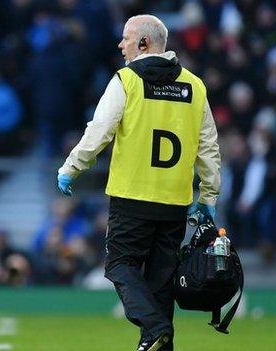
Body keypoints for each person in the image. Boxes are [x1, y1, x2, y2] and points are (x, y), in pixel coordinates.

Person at [57, 15, 220, 351]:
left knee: (120, 264)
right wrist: (208, 196)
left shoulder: (127, 80)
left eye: (126, 39)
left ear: (144, 44)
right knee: (161, 282)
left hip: (132, 195)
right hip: (175, 201)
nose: (121, 45)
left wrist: (72, 167)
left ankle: (154, 328)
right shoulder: (195, 85)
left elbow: (99, 131)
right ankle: (160, 339)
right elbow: (208, 147)